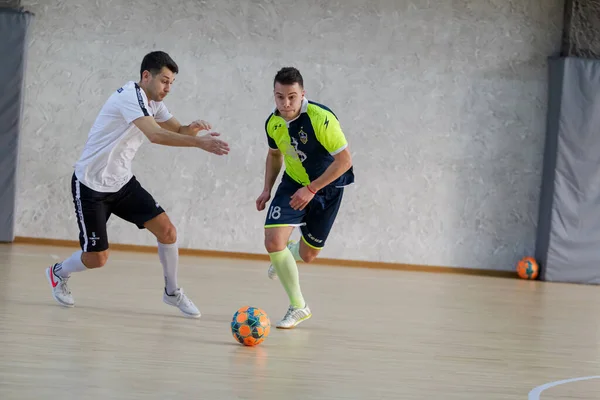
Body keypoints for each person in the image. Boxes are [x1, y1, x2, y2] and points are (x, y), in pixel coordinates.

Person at [45, 51, 230, 318]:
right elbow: (155, 135)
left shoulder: (154, 102)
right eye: (164, 81)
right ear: (146, 76)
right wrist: (199, 144)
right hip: (91, 185)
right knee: (97, 258)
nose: (168, 88)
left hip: (122, 183)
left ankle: (172, 292)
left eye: (171, 83)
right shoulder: (128, 97)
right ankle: (58, 272)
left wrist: (193, 129)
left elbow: (177, 130)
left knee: (167, 231)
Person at [256, 67, 354, 329]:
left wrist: (312, 189)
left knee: (308, 254)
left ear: (302, 95)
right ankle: (299, 306)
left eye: (291, 97)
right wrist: (267, 188)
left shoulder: (320, 118)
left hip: (328, 188)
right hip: (293, 183)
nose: (285, 103)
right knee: (273, 240)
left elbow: (344, 161)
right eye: (279, 97)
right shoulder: (273, 123)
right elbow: (275, 154)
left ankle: (286, 256)